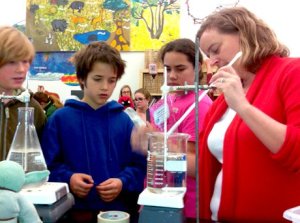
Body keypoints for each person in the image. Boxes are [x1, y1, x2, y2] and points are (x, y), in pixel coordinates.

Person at [196, 7, 300, 222]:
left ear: (245, 35)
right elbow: (211, 163)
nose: (212, 61)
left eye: (215, 50)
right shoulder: (224, 100)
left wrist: (243, 107)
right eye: (208, 55)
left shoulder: (292, 72)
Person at [40, 41, 146, 223]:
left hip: (118, 214)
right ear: (81, 78)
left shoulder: (125, 121)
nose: (105, 87)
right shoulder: (60, 119)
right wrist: (69, 178)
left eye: (111, 80)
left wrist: (122, 182)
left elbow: (139, 166)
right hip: (71, 213)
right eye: (98, 79)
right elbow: (46, 167)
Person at [149, 38, 212, 222]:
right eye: (168, 69)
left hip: (187, 204)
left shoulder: (200, 105)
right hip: (161, 195)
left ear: (198, 67)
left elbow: (193, 163)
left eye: (180, 68)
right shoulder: (165, 101)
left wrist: (157, 142)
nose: (172, 76)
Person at [0, 26, 46, 161]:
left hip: (21, 182)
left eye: (25, 61)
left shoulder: (32, 108)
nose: (21, 69)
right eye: (12, 62)